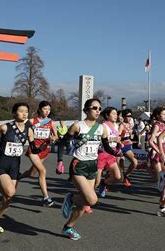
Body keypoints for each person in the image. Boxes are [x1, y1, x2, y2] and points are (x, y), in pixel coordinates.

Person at [0, 102, 34, 233]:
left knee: (8, 198)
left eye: (26, 111)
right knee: (10, 192)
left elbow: (35, 148)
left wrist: (48, 143)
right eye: (21, 111)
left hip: (15, 166)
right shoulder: (5, 127)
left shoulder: (29, 130)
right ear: (14, 113)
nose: (24, 113)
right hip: (2, 164)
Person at [59, 98, 109, 240]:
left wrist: (116, 152)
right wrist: (60, 161)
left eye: (99, 108)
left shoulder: (101, 128)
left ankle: (68, 227)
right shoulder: (77, 126)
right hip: (79, 165)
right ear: (86, 110)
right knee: (92, 200)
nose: (98, 110)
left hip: (92, 165)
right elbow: (62, 143)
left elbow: (106, 147)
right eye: (94, 108)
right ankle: (71, 198)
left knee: (84, 205)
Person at [17, 101, 58, 206]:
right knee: (42, 171)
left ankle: (18, 177)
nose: (47, 111)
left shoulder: (51, 122)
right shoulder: (32, 121)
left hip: (44, 151)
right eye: (45, 109)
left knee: (32, 173)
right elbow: (22, 128)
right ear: (39, 109)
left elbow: (56, 136)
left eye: (48, 109)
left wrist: (53, 138)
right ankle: (46, 197)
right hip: (33, 150)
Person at [96, 107, 123, 198]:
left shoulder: (116, 126)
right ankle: (86, 202)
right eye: (113, 114)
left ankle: (104, 183)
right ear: (107, 115)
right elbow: (99, 141)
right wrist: (113, 139)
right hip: (102, 154)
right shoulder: (103, 126)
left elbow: (118, 139)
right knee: (96, 182)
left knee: (118, 178)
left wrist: (119, 144)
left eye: (116, 114)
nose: (116, 116)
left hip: (111, 154)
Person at [119, 109, 138, 186]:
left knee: (132, 163)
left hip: (128, 144)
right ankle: (125, 177)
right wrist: (120, 143)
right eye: (128, 116)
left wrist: (131, 135)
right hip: (122, 145)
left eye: (131, 116)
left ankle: (125, 176)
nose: (130, 118)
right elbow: (118, 136)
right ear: (124, 117)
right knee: (132, 162)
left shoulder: (130, 125)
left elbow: (131, 136)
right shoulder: (121, 125)